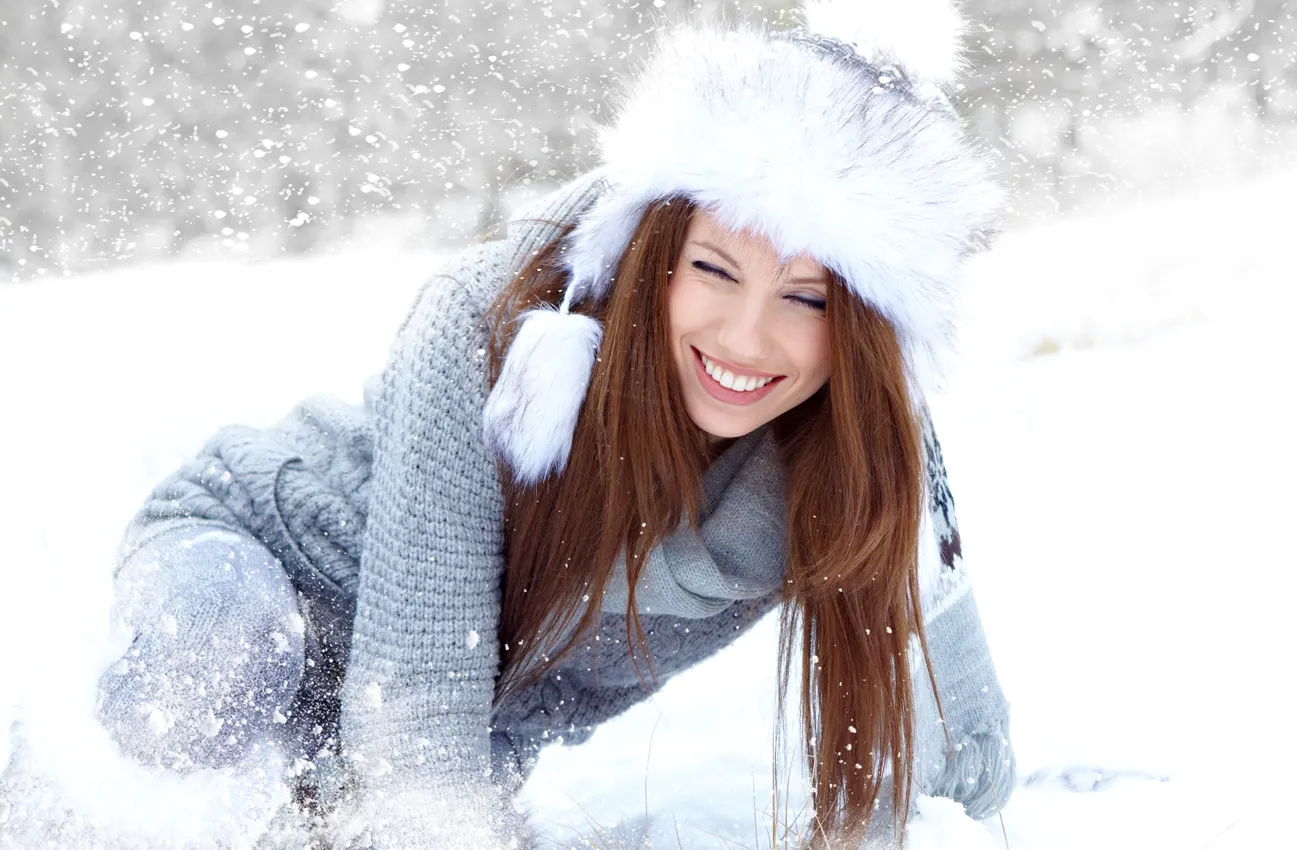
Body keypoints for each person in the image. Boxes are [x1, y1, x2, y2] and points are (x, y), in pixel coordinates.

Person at [95, 1, 1015, 848]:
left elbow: (951, 743)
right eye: (716, 270)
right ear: (658, 249)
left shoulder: (853, 466)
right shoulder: (493, 330)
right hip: (274, 565)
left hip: (452, 716)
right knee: (212, 674)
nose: (746, 337)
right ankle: (58, 796)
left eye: (806, 298)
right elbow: (417, 706)